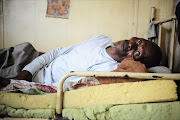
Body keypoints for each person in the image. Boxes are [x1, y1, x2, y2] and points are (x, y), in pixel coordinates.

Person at [0, 35, 162, 89]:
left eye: (138, 53)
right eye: (140, 41)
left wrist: (20, 82)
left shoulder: (109, 70)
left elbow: (61, 87)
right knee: (23, 48)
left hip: (36, 81)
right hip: (33, 60)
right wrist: (27, 70)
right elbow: (58, 51)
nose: (133, 45)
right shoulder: (102, 38)